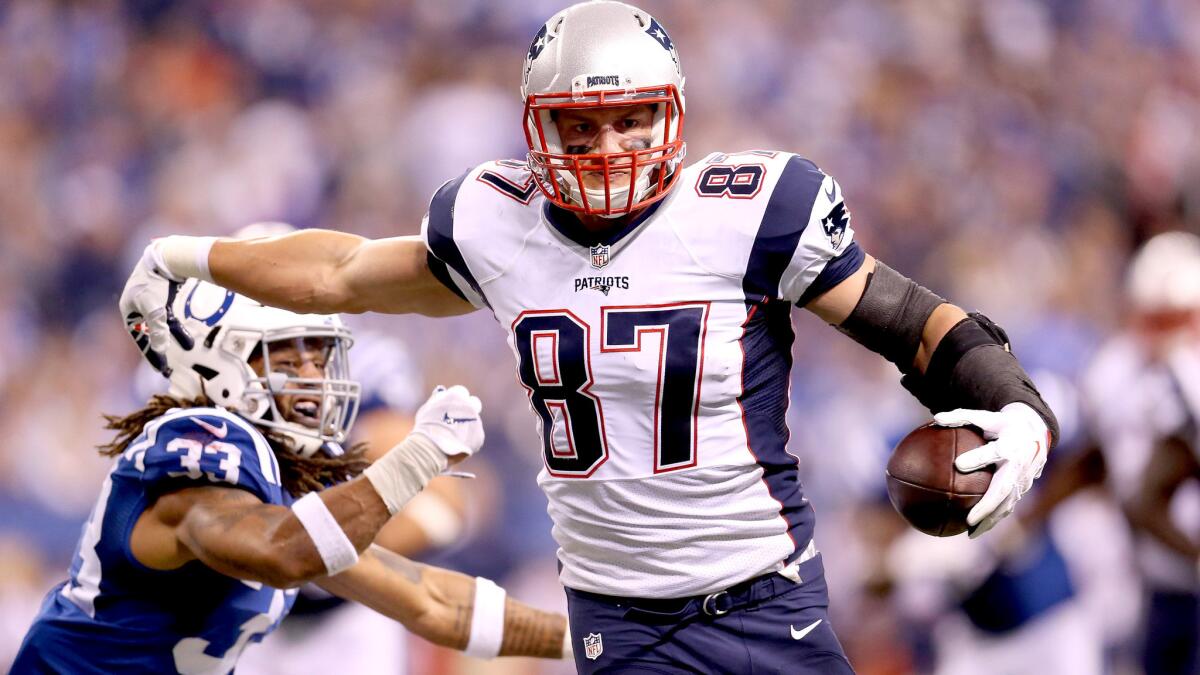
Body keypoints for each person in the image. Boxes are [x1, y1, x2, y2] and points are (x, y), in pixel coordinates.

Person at [119, 2, 1058, 671]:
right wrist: (189, 253)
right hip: (617, 618)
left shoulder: (751, 212)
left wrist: (1018, 409)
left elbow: (911, 323)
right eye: (580, 125)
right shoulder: (493, 224)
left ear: (673, 115)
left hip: (767, 596)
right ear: (537, 128)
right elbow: (340, 271)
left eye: (632, 119)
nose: (609, 146)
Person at [14, 279, 568, 673]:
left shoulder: (275, 479)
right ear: (218, 365)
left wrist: (589, 642)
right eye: (288, 360)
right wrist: (417, 458)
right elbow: (285, 553)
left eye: (318, 360)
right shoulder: (194, 451)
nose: (312, 379)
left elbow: (430, 602)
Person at [1027, 231, 1200, 675]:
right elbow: (1097, 460)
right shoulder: (1112, 373)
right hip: (1154, 579)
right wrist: (1030, 520)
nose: (1166, 335)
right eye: (1154, 319)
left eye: (1177, 318)